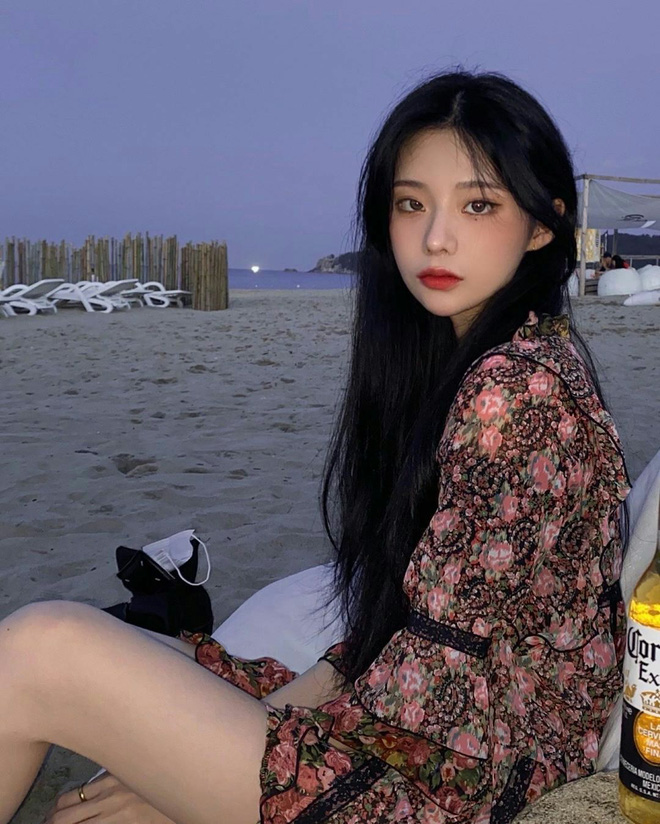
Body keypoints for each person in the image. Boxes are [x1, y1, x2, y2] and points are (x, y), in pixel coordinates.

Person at [8, 67, 629, 824]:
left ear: (542, 224)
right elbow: (413, 633)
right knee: (125, 654)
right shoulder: (506, 354)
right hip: (462, 734)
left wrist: (189, 779)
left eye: (478, 204)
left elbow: (433, 689)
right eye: (411, 203)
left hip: (460, 777)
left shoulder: (514, 391)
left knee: (41, 648)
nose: (435, 236)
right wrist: (212, 747)